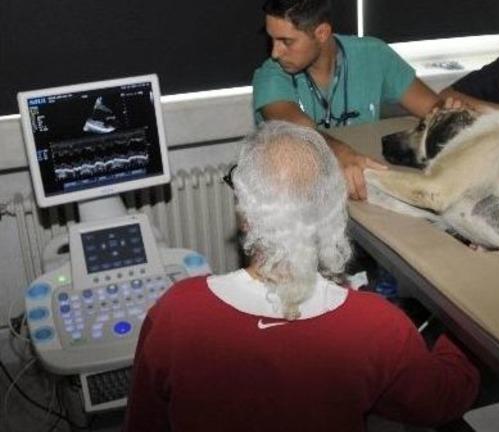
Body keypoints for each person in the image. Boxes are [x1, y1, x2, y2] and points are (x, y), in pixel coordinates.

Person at [124, 122, 480, 431]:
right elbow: (442, 400)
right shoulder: (377, 327)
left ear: (245, 214)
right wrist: (457, 326)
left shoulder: (176, 312)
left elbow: (144, 424)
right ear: (333, 213)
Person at [252, 0, 441, 200]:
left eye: (286, 41)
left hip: (362, 187)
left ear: (322, 33)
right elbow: (299, 130)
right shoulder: (269, 75)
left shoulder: (374, 54)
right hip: (301, 196)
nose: (275, 53)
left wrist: (448, 112)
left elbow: (433, 109)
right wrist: (341, 153)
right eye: (272, 39)